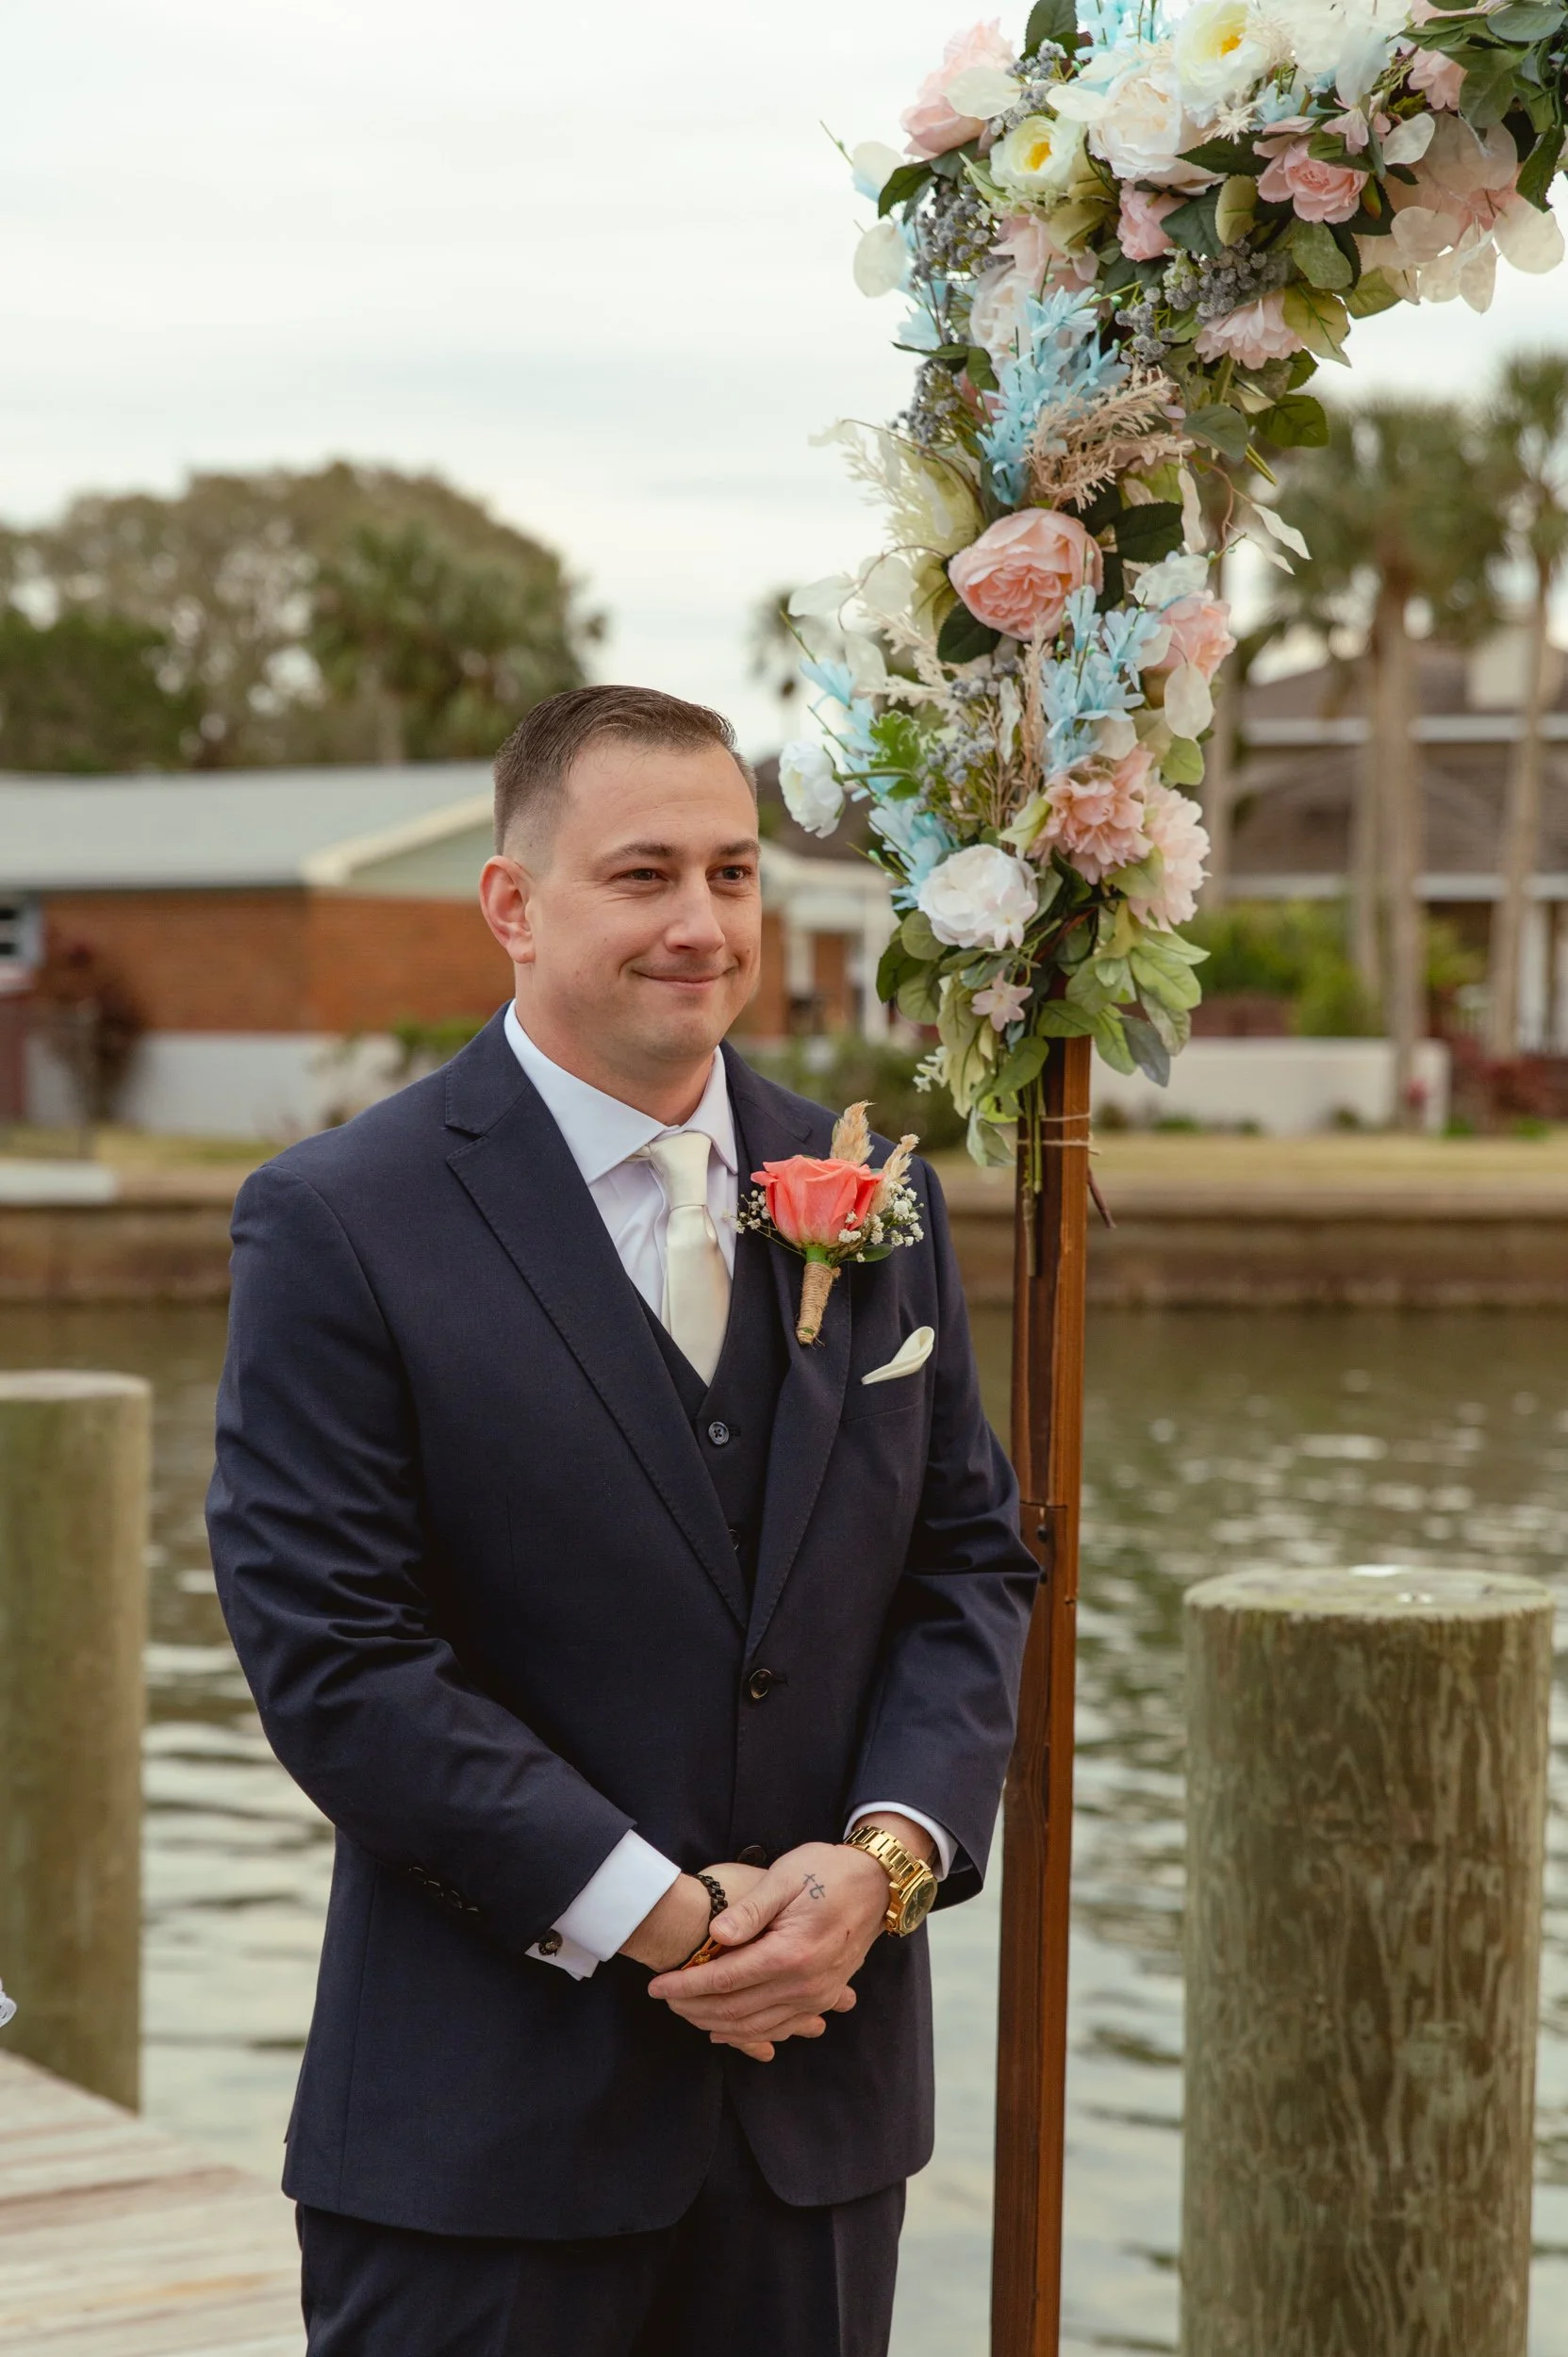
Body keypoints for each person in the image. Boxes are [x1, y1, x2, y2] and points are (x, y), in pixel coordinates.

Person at [207, 684, 1038, 2357]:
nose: (701, 923)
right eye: (642, 874)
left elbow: (970, 1562)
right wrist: (676, 1919)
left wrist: (880, 1867)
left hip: (816, 2116)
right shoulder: (337, 1223)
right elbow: (340, 1664)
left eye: (732, 874)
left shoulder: (869, 1187)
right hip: (480, 2146)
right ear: (513, 905)